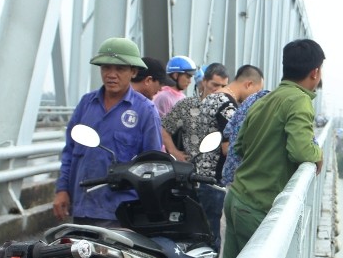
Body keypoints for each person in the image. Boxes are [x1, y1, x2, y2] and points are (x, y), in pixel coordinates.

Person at [219, 40, 325, 258]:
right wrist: (318, 154)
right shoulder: (299, 100)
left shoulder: (264, 98)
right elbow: (300, 151)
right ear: (315, 72)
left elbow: (240, 145)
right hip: (257, 207)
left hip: (236, 199)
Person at [53, 37, 163, 227]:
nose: (111, 75)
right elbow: (70, 151)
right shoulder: (86, 104)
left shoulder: (145, 110)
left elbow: (153, 163)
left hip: (120, 213)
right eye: (106, 68)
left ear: (133, 72)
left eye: (120, 69)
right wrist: (62, 189)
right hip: (82, 207)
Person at [194, 65, 264, 250]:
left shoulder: (210, 98)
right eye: (255, 94)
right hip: (213, 181)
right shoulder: (228, 106)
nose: (253, 101)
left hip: (198, 176)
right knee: (212, 241)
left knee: (200, 237)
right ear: (248, 84)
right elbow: (229, 148)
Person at [161, 62, 229, 162]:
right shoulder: (187, 105)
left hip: (219, 173)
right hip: (191, 170)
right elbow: (164, 128)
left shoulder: (228, 110)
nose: (219, 90)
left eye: (223, 86)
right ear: (204, 81)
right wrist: (174, 152)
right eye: (215, 85)